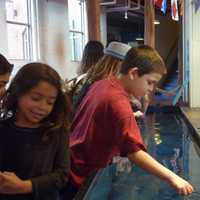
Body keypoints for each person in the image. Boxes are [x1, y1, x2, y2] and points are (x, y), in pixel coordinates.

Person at [67, 45, 193, 198]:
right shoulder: (118, 102)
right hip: (82, 176)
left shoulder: (103, 84)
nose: (151, 89)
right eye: (150, 82)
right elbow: (135, 153)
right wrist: (173, 177)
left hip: (71, 163)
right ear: (133, 73)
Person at [0, 63, 71, 200]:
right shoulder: (4, 130)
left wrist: (26, 186)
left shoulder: (57, 131)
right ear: (18, 93)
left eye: (50, 102)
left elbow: (62, 174)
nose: (43, 107)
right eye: (36, 99)